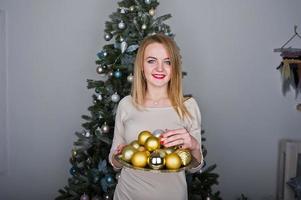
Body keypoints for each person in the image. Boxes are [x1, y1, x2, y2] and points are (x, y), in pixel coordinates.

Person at [109, 33, 204, 200]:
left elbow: (194, 167)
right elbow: (114, 162)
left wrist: (194, 145)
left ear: (174, 67)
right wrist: (120, 153)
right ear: (141, 66)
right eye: (151, 61)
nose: (160, 69)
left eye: (167, 62)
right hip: (127, 195)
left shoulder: (188, 106)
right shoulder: (126, 104)